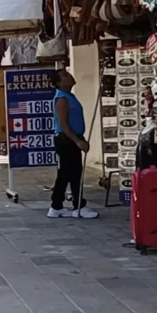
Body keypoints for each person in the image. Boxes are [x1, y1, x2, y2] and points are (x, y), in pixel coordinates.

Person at [48, 69, 99, 219]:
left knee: (65, 174)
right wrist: (77, 141)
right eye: (64, 76)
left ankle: (56, 206)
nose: (69, 76)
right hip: (66, 138)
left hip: (71, 137)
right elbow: (63, 124)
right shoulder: (62, 99)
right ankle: (78, 206)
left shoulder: (70, 96)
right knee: (74, 173)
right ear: (58, 83)